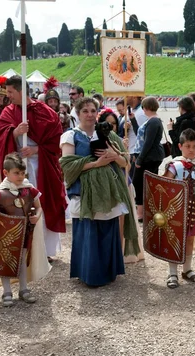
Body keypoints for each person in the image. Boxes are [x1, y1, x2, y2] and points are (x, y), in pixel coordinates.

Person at [60, 97, 139, 286]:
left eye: (92, 111)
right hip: (84, 191)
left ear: (97, 113)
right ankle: (89, 274)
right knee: (89, 231)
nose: (89, 114)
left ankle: (108, 272)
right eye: (85, 111)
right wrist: (96, 164)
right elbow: (68, 166)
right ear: (78, 114)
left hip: (108, 191)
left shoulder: (109, 135)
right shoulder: (71, 136)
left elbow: (126, 162)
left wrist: (114, 156)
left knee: (107, 231)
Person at [0, 75, 66, 259]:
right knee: (18, 205)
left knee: (41, 204)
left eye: (10, 92)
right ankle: (21, 249)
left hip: (41, 166)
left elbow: (56, 139)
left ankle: (44, 251)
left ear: (20, 91)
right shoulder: (8, 112)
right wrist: (14, 132)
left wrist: (36, 149)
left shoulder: (45, 111)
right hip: (18, 167)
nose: (8, 95)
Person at [0, 153, 51, 306]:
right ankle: (7, 292)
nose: (20, 176)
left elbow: (39, 208)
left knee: (22, 261)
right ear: (6, 173)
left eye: (22, 173)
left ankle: (23, 289)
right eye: (16, 173)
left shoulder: (29, 189)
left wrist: (37, 216)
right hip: (4, 237)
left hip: (24, 233)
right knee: (5, 261)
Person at [163, 128, 195, 289]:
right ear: (180, 146)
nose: (191, 150)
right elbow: (164, 186)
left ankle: (187, 269)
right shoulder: (174, 166)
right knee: (174, 240)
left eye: (194, 146)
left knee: (190, 240)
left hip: (193, 211)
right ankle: (172, 272)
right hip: (176, 212)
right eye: (188, 146)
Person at [133, 97, 165, 221]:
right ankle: (143, 211)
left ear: (145, 108)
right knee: (143, 183)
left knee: (140, 183)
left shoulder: (153, 121)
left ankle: (142, 212)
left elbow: (148, 142)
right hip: (150, 156)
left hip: (149, 157)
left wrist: (140, 159)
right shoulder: (153, 121)